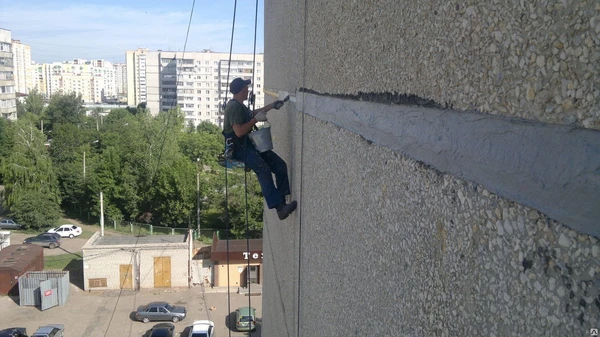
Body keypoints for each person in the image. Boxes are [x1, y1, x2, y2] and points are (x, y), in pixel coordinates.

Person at [222, 78, 298, 220]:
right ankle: (279, 207)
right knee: (263, 169)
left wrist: (272, 105)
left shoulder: (240, 106)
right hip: (240, 147)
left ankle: (282, 203)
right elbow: (238, 131)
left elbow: (253, 113)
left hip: (249, 144)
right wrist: (256, 120)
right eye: (246, 88)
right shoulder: (233, 107)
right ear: (241, 90)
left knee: (280, 166)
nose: (248, 91)